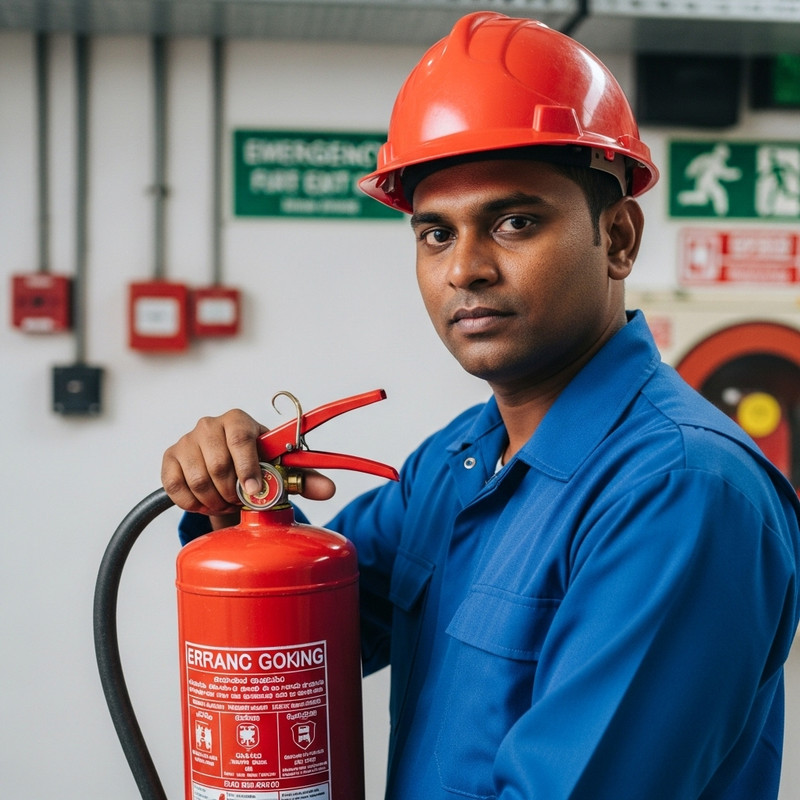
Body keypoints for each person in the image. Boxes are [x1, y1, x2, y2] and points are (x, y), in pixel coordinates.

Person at [162, 12, 800, 799]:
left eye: (514, 222)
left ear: (619, 238)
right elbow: (310, 640)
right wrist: (236, 511)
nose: (465, 268)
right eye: (435, 234)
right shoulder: (454, 465)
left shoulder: (678, 491)